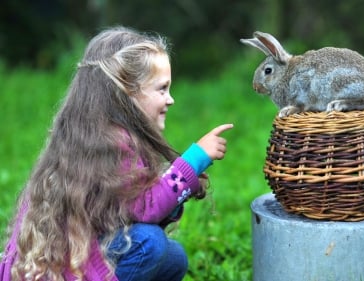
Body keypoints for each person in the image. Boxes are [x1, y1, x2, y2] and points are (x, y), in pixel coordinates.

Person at [0, 26, 233, 281]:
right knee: (149, 244)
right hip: (65, 271)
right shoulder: (110, 142)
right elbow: (147, 208)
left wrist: (179, 188)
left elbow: (132, 209)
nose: (170, 99)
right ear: (127, 92)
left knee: (173, 257)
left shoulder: (103, 136)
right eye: (162, 89)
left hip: (82, 259)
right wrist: (195, 160)